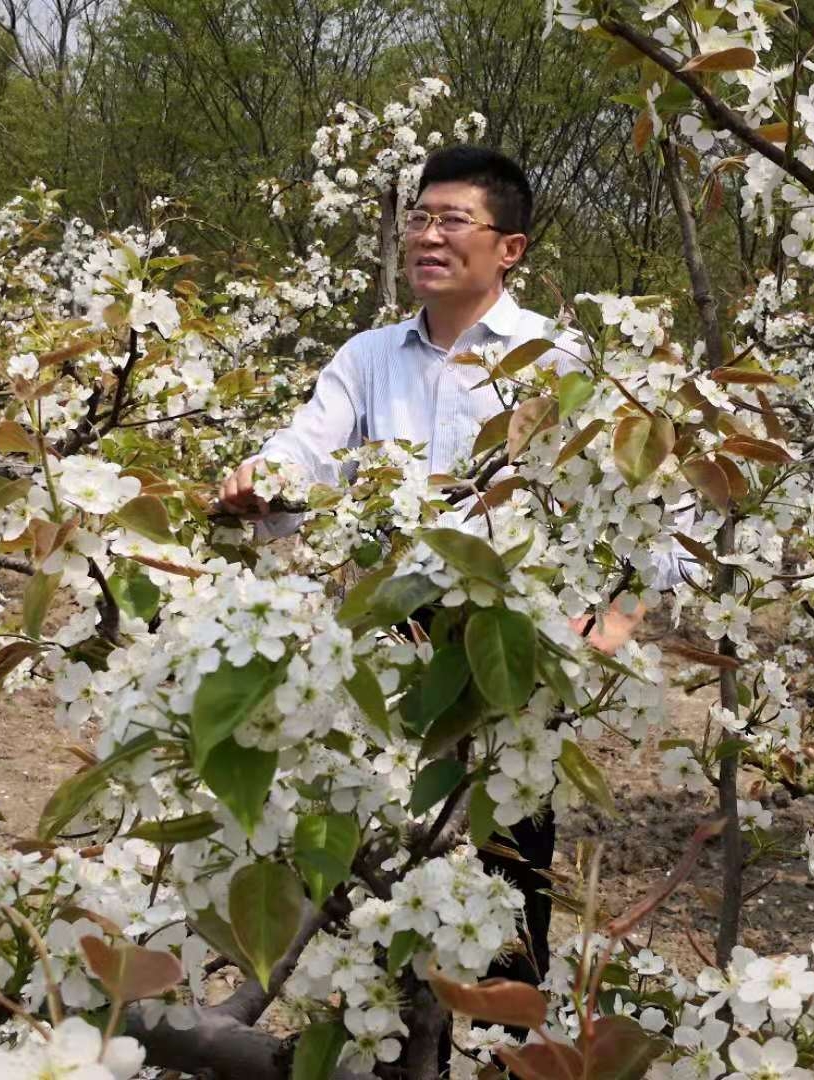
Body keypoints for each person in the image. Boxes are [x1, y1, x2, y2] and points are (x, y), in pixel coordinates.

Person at [218, 143, 649, 1021]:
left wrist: (611, 622)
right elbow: (308, 449)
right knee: (382, 877)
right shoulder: (371, 356)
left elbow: (637, 505)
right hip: (386, 656)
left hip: (510, 656)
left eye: (452, 220)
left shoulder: (560, 359)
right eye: (418, 216)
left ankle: (504, 1051)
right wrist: (259, 478)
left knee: (506, 881)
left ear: (509, 249)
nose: (426, 235)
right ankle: (389, 1039)